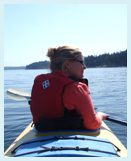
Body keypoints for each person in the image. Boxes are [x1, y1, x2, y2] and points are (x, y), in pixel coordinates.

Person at [30, 46, 108, 131]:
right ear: (67, 65)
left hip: (41, 128)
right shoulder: (76, 89)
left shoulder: (39, 81)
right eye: (81, 62)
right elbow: (92, 124)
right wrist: (100, 115)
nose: (85, 67)